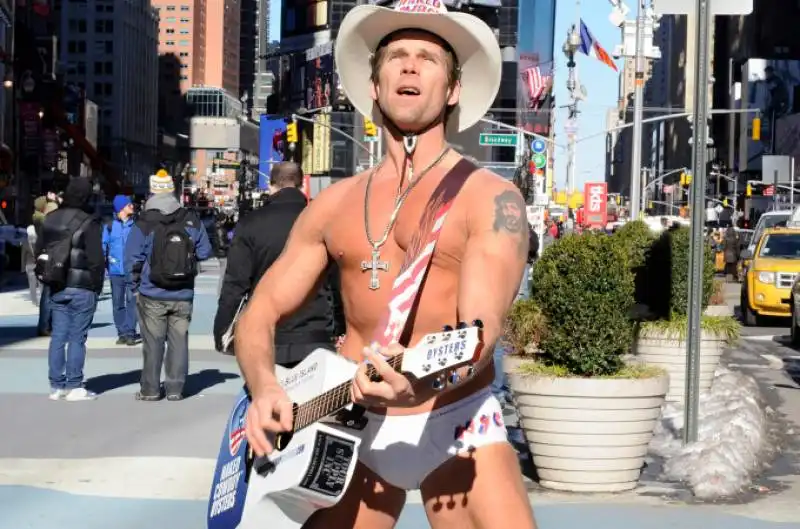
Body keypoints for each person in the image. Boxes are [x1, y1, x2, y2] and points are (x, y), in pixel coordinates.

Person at [235, 1, 537, 528]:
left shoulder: (492, 197)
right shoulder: (332, 205)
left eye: (428, 57)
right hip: (348, 421)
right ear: (375, 86)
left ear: (454, 89)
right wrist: (264, 387)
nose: (411, 65)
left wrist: (423, 384)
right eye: (397, 55)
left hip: (455, 417)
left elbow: (481, 328)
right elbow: (258, 312)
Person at [213, 162, 345, 363]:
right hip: (315, 333)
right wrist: (340, 327)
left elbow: (235, 284)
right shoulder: (323, 223)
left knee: (265, 392)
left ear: (271, 186)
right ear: (302, 187)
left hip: (266, 331)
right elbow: (337, 282)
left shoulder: (250, 224)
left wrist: (222, 329)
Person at [125, 170, 212, 401]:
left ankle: (150, 390)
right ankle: (175, 389)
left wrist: (133, 286)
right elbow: (205, 251)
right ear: (172, 190)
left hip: (151, 292)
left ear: (153, 190)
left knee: (153, 343)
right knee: (179, 341)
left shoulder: (144, 221)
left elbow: (132, 258)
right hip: (183, 292)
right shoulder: (191, 219)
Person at [37, 177, 104, 401]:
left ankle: (56, 386)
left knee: (58, 336)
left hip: (57, 284)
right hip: (82, 286)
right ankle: (75, 385)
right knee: (77, 337)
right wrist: (97, 286)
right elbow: (96, 259)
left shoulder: (50, 219)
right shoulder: (89, 222)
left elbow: (40, 251)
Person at [103, 195, 140, 345]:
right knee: (117, 303)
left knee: (132, 301)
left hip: (132, 270)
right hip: (115, 271)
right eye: (128, 204)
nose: (132, 206)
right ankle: (122, 332)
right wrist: (104, 264)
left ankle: (130, 332)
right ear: (120, 208)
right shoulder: (110, 226)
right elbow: (103, 246)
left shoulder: (136, 225)